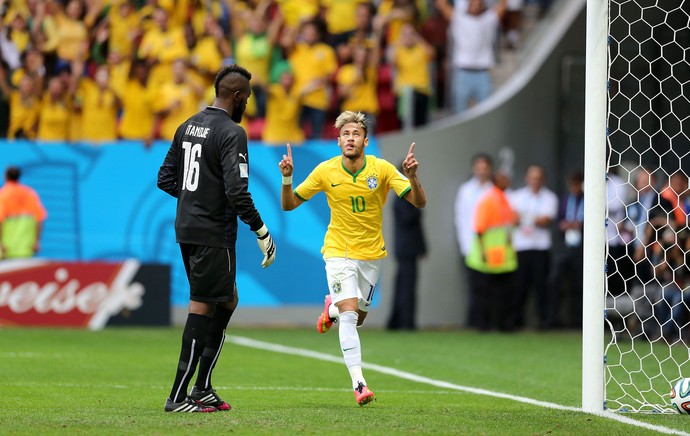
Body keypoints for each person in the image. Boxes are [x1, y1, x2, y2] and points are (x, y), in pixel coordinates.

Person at [277, 110, 426, 405]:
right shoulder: (326, 171)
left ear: (365, 141)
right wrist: (287, 178)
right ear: (338, 141)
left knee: (358, 316)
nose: (350, 138)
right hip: (338, 251)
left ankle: (330, 309)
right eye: (345, 134)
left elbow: (419, 202)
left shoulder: (381, 169)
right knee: (349, 316)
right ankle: (359, 383)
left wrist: (412, 176)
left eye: (356, 134)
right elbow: (289, 204)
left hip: (371, 253)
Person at [157, 64, 277, 413]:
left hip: (188, 229)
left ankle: (203, 387)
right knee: (203, 304)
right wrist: (261, 230)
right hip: (213, 232)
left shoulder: (187, 125)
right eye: (248, 99)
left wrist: (196, 199)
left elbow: (166, 179)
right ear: (237, 96)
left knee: (227, 299)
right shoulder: (232, 132)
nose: (247, 106)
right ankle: (179, 397)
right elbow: (238, 192)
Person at [465, 169, 517, 331]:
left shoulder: (503, 199)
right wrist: (482, 252)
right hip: (486, 255)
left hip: (498, 255)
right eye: (503, 178)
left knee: (499, 293)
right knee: (484, 293)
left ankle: (497, 324)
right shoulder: (489, 200)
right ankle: (483, 324)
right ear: (496, 180)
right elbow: (480, 229)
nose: (507, 181)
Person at [435, 0, 507, 114]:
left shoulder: (488, 19)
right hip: (462, 73)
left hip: (482, 72)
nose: (474, 6)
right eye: (472, 3)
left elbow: (503, 5)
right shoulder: (459, 18)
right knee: (459, 114)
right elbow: (442, 4)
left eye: (477, 3)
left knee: (485, 113)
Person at [508, 164, 558, 329]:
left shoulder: (550, 197)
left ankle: (545, 322)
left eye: (538, 178)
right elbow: (512, 219)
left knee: (541, 287)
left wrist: (523, 216)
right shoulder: (516, 196)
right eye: (532, 177)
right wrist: (533, 218)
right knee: (519, 286)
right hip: (521, 247)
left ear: (543, 179)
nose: (535, 181)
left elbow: (545, 221)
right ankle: (515, 321)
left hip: (540, 247)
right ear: (526, 178)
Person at [454, 153, 493, 329]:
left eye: (484, 167)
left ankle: (488, 320)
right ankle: (476, 321)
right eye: (478, 166)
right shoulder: (466, 190)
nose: (481, 170)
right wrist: (465, 245)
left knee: (490, 285)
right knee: (475, 285)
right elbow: (461, 219)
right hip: (471, 245)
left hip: (491, 246)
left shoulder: (494, 191)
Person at [387, 162, 427, 330]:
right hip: (406, 249)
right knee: (406, 288)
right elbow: (409, 219)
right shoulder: (402, 197)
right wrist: (418, 209)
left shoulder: (403, 196)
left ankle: (397, 322)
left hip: (408, 249)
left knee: (403, 286)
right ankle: (405, 322)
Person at [547, 171, 584, 329]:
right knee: (555, 281)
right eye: (572, 184)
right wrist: (564, 225)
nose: (574, 188)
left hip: (582, 249)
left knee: (580, 285)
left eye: (577, 184)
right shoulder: (564, 200)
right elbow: (558, 220)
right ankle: (553, 319)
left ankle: (579, 321)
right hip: (564, 246)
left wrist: (581, 225)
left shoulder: (589, 200)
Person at [0, 166, 47, 259]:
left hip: (6, 249)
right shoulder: (30, 193)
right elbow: (40, 219)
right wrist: (37, 241)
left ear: (5, 177)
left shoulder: (3, 194)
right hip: (26, 249)